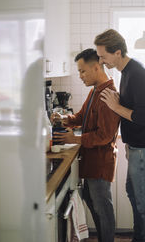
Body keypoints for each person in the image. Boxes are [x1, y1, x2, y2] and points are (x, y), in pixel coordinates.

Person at [94, 29, 145, 242]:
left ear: (117, 52)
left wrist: (116, 106)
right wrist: (119, 101)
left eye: (103, 56)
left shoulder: (137, 74)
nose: (101, 60)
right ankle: (140, 238)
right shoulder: (127, 72)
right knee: (134, 195)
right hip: (137, 148)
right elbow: (136, 107)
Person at [51, 48, 120, 242]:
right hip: (91, 161)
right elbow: (81, 117)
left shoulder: (108, 95)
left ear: (96, 67)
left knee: (102, 208)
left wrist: (75, 139)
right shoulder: (95, 92)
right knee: (92, 201)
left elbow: (105, 136)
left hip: (100, 163)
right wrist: (64, 119)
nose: (80, 76)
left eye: (82, 71)